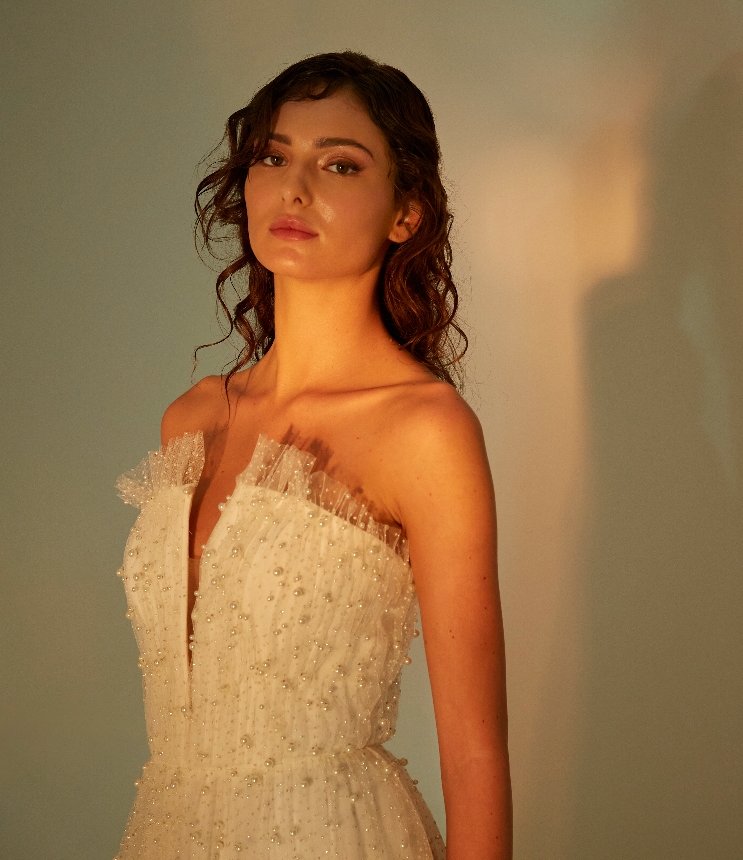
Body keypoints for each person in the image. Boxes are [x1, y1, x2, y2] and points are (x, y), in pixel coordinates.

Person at [111, 52, 511, 860]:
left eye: (339, 164)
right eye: (272, 155)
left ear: (407, 212)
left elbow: (474, 755)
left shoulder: (425, 430)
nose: (294, 189)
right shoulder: (191, 418)